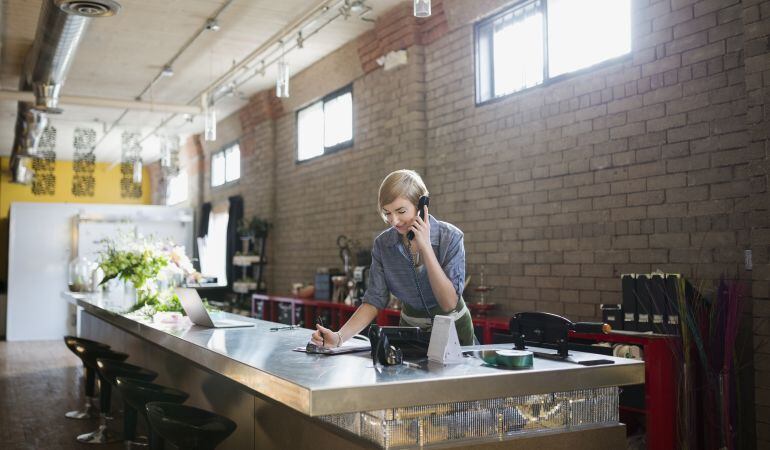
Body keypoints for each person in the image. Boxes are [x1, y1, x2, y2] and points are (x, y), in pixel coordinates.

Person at [311, 169, 474, 348]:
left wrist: (426, 247)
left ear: (421, 205)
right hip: (411, 334)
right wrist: (339, 337)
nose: (394, 221)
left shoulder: (450, 237)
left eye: (401, 211)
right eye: (387, 213)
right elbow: (374, 300)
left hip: (455, 331)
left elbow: (449, 302)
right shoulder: (383, 245)